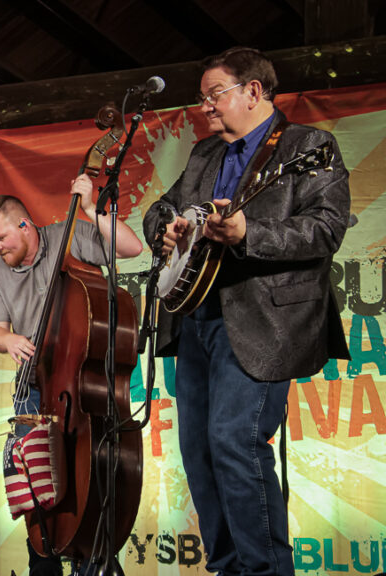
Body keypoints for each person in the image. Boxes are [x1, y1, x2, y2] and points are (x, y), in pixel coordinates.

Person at [143, 47, 350, 576]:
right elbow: (160, 208)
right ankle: (228, 567)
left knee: (234, 441)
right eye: (202, 98)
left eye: (215, 95)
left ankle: (266, 571)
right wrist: (165, 229)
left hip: (264, 322)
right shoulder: (204, 155)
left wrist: (248, 232)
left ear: (253, 92)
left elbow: (326, 227)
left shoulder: (309, 146)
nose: (205, 107)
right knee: (199, 451)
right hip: (196, 320)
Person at [0, 175, 142, 575]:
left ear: (25, 225)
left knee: (93, 480)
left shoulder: (69, 236)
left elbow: (131, 247)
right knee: (37, 487)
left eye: (1, 238)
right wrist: (10, 341)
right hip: (32, 390)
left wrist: (91, 209)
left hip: (80, 391)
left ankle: (95, 562)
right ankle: (44, 562)